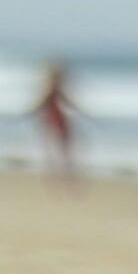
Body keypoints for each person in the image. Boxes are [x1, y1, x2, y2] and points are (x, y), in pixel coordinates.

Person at [28, 58, 87, 190]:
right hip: (53, 122)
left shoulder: (54, 91)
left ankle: (61, 180)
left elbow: (38, 108)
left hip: (57, 121)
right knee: (57, 153)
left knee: (61, 152)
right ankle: (58, 181)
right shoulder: (52, 92)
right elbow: (39, 108)